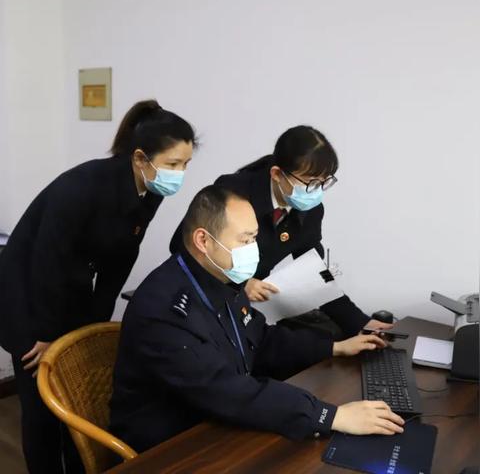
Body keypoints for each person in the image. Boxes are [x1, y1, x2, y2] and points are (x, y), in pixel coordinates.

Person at [110, 185, 404, 453]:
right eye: (245, 239)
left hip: (216, 418)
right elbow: (222, 388)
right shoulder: (163, 308)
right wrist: (329, 416)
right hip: (168, 444)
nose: (255, 248)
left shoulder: (223, 280)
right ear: (203, 240)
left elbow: (261, 340)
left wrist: (334, 347)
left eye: (254, 237)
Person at [0, 99, 196, 474]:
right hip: (25, 294)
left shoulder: (150, 190)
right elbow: (47, 263)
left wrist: (93, 325)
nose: (180, 174)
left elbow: (120, 259)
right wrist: (46, 336)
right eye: (173, 164)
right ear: (140, 158)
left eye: (186, 164)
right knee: (41, 408)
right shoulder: (82, 187)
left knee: (75, 405)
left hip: (67, 286)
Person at [193, 125, 393, 339]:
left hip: (248, 309)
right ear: (277, 174)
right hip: (206, 300)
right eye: (310, 182)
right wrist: (241, 284)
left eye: (324, 182)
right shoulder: (233, 193)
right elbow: (185, 247)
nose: (316, 191)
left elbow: (315, 273)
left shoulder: (310, 209)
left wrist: (360, 323)